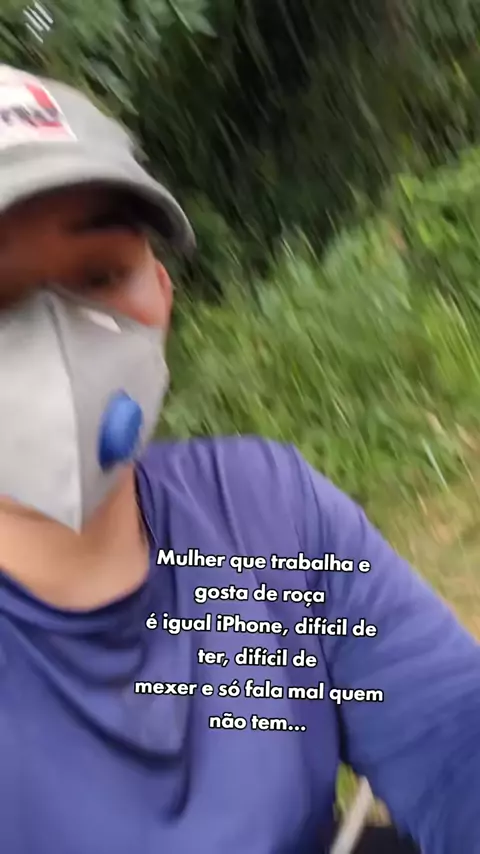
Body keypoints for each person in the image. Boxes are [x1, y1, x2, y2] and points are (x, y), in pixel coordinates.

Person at [0, 62, 478, 854]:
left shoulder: (265, 512)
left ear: (161, 297)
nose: (55, 347)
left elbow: (456, 737)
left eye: (99, 275)